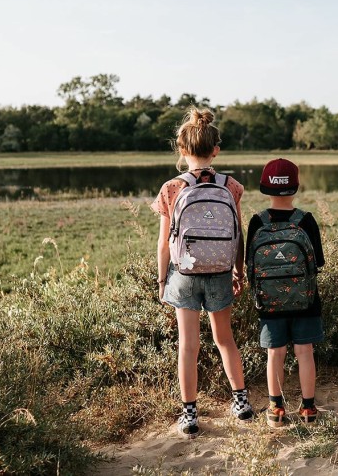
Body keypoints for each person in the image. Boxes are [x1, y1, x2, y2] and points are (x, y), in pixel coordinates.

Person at [151, 108, 254, 439]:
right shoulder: (231, 185)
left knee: (188, 345)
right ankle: (240, 402)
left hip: (184, 272)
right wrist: (238, 271)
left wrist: (161, 278)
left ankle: (189, 413)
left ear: (182, 150)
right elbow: (237, 233)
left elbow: (164, 243)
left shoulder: (171, 188)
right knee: (225, 340)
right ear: (215, 150)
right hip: (221, 271)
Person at [245, 158, 326, 427]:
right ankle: (308, 409)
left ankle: (275, 408)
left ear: (264, 188)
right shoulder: (307, 220)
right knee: (305, 352)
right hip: (306, 302)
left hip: (269, 303)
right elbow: (318, 264)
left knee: (275, 354)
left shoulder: (257, 222)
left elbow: (250, 266)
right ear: (296, 187)